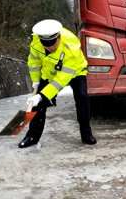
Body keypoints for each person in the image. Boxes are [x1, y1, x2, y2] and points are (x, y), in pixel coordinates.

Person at [19, 19, 97, 148]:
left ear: (59, 36)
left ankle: (86, 134)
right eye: (46, 44)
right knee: (37, 105)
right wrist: (36, 81)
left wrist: (43, 96)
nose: (50, 47)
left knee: (82, 98)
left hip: (75, 71)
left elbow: (62, 79)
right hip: (49, 72)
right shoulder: (36, 43)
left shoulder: (71, 47)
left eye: (53, 43)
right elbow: (34, 63)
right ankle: (32, 137)